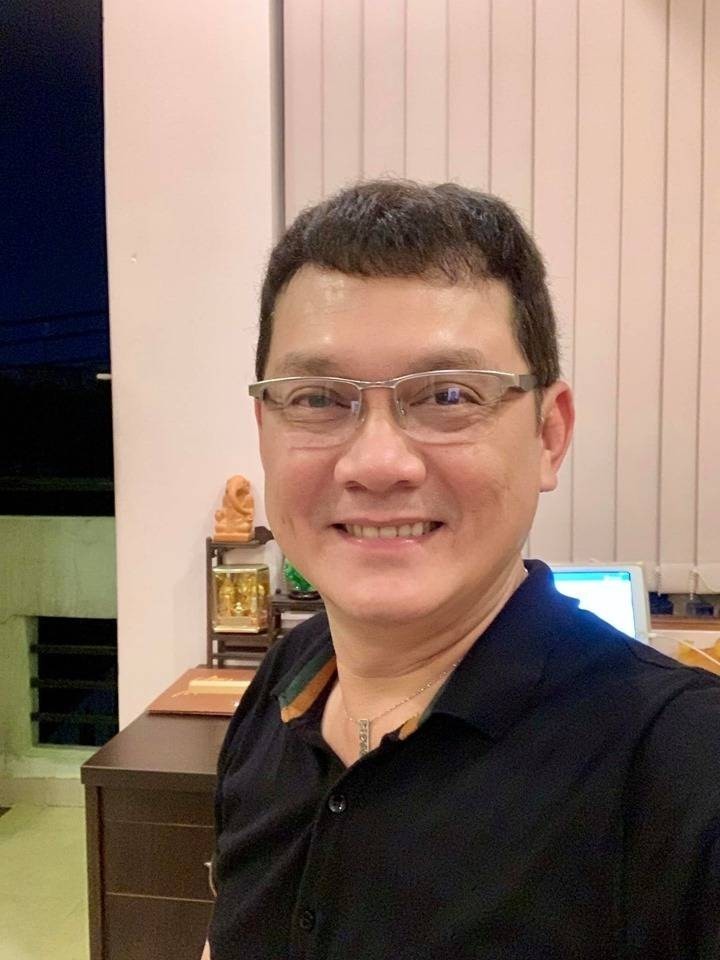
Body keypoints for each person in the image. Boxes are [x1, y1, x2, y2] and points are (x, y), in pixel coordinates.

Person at [203, 181, 720, 960]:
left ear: (549, 435)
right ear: (265, 431)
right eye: (317, 398)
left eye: (448, 395)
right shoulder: (285, 682)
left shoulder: (681, 768)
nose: (377, 462)